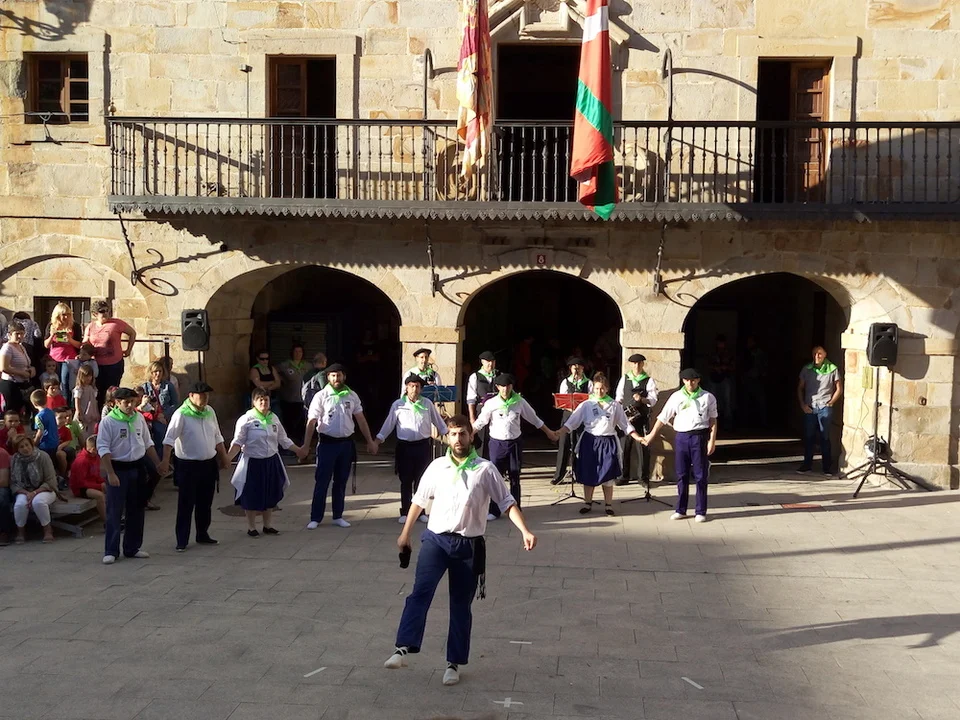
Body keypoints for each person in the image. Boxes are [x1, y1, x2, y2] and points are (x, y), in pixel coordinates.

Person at [384, 415, 537, 686]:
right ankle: (402, 648)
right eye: (453, 434)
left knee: (460, 605)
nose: (458, 439)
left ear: (471, 436)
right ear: (447, 438)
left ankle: (453, 664)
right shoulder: (437, 467)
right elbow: (419, 500)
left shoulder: (485, 469)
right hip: (436, 540)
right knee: (420, 592)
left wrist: (524, 530)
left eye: (462, 434)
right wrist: (405, 534)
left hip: (468, 545)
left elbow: (507, 502)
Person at [557, 372, 645, 516]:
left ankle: (608, 505)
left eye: (602, 388)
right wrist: (558, 432)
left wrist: (638, 437)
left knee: (608, 474)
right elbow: (572, 422)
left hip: (608, 441)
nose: (599, 391)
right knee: (588, 472)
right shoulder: (586, 404)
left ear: (607, 388)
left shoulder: (614, 405)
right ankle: (587, 502)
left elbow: (625, 424)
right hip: (589, 441)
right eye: (597, 388)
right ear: (593, 388)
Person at [303, 363, 378, 529]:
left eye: (339, 375)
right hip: (327, 444)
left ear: (344, 376)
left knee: (341, 481)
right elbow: (312, 421)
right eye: (333, 375)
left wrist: (370, 441)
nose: (336, 378)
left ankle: (338, 515)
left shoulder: (351, 395)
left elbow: (361, 419)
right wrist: (306, 445)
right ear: (328, 377)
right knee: (322, 481)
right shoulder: (321, 396)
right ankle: (316, 517)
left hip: (346, 444)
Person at [472, 373, 558, 517]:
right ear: (497, 387)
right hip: (497, 444)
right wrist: (470, 433)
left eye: (508, 386)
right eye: (502, 386)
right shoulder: (491, 403)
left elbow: (534, 419)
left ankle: (515, 507)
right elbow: (481, 422)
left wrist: (549, 432)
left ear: (512, 386)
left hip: (514, 444)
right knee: (495, 477)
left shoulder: (520, 402)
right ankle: (494, 510)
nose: (505, 389)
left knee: (514, 476)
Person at [227, 388, 307, 537]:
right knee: (251, 494)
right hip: (253, 462)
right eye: (260, 399)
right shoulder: (246, 419)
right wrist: (227, 458)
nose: (263, 402)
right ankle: (251, 527)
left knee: (270, 492)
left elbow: (283, 439)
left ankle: (267, 525)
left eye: (266, 399)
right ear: (254, 402)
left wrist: (298, 450)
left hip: (271, 461)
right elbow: (237, 441)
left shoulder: (273, 418)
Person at [158, 381, 228, 552]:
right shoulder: (181, 414)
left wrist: (224, 457)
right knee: (186, 503)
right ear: (191, 396)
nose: (205, 398)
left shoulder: (209, 411)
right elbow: (169, 439)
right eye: (202, 395)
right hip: (188, 465)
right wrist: (165, 461)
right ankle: (182, 539)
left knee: (205, 502)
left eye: (207, 395)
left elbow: (217, 436)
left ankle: (202, 533)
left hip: (208, 464)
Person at [642, 368, 718, 523]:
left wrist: (712, 441)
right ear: (683, 381)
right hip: (682, 437)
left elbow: (713, 420)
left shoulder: (707, 397)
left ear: (698, 380)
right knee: (682, 474)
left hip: (699, 436)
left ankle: (700, 510)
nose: (690, 383)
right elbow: (663, 417)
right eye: (687, 380)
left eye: (693, 380)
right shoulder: (676, 397)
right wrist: (652, 434)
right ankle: (681, 509)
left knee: (700, 475)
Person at [98, 387, 161, 564]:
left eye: (133, 402)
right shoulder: (108, 422)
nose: (131, 405)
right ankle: (111, 550)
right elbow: (103, 448)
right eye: (126, 402)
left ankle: (132, 547)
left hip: (137, 466)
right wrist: (110, 473)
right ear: (117, 403)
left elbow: (147, 442)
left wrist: (157, 463)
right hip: (118, 468)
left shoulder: (138, 418)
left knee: (137, 508)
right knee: (115, 510)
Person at [375, 374, 448, 524]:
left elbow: (438, 422)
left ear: (421, 389)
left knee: (421, 480)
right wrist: (378, 440)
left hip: (422, 446)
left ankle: (421, 512)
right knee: (406, 480)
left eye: (417, 386)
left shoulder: (427, 404)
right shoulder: (398, 405)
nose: (414, 389)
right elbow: (389, 424)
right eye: (411, 386)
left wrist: (449, 434)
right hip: (405, 447)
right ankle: (405, 511)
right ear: (406, 388)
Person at [615, 353, 659, 488]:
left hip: (641, 418)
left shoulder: (648, 380)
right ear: (631, 365)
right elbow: (619, 397)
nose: (637, 366)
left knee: (643, 448)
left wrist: (642, 399)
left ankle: (643, 478)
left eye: (639, 363)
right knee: (624, 447)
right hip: (626, 418)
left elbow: (653, 400)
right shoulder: (625, 379)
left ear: (643, 364)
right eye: (634, 363)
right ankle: (623, 476)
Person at [797, 346, 842, 476]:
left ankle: (826, 467)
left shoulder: (832, 369)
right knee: (809, 437)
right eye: (815, 353)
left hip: (824, 407)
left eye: (820, 353)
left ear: (825, 354)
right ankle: (807, 465)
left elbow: (839, 388)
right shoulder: (807, 369)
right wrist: (802, 405)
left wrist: (831, 402)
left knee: (824, 437)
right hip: (810, 407)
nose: (817, 356)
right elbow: (800, 387)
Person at [84, 300, 136, 407]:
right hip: (96, 365)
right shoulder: (90, 327)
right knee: (98, 392)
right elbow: (85, 344)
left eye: (107, 310)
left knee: (112, 393)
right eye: (102, 311)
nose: (106, 313)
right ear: (94, 314)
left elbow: (132, 333)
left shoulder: (117, 323)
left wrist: (128, 350)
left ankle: (112, 413)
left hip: (114, 364)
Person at [551, 356, 592, 486]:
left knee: (579, 445)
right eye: (574, 368)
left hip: (582, 418)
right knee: (564, 444)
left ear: (583, 369)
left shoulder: (588, 383)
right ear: (570, 369)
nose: (576, 370)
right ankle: (559, 475)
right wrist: (568, 405)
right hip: (568, 416)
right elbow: (562, 400)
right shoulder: (565, 382)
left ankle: (579, 473)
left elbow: (591, 400)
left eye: (579, 368)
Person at [10, 435, 59, 544]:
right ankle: (21, 532)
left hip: (45, 489)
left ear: (31, 445)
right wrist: (26, 493)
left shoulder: (43, 456)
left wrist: (35, 492)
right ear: (17, 449)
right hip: (24, 490)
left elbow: (51, 481)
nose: (25, 448)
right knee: (20, 504)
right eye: (21, 447)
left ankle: (47, 530)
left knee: (38, 502)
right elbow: (13, 483)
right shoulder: (14, 459)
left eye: (27, 445)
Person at [44, 302, 82, 401]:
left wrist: (70, 339)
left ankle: (66, 403)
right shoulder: (51, 325)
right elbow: (46, 345)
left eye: (68, 314)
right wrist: (52, 335)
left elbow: (79, 345)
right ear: (57, 315)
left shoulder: (75, 326)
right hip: (54, 359)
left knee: (65, 382)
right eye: (63, 314)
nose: (66, 317)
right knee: (54, 383)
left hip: (69, 359)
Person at [140, 360, 179, 453]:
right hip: (150, 417)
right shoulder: (144, 387)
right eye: (155, 371)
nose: (158, 374)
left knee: (160, 431)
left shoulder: (168, 386)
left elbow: (175, 404)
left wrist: (163, 415)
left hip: (164, 416)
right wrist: (156, 415)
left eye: (160, 371)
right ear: (150, 373)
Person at [465, 351, 497, 458]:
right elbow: (471, 399)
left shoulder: (499, 376)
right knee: (481, 440)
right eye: (488, 361)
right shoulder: (475, 376)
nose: (490, 364)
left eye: (492, 361)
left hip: (496, 412)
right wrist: (472, 418)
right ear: (482, 362)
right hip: (481, 411)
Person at [0, 321, 36, 415]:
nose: (20, 336)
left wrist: (31, 369)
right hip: (11, 385)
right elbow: (3, 367)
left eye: (22, 333)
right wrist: (22, 373)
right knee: (12, 413)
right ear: (10, 334)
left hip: (23, 385)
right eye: (17, 334)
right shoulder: (7, 348)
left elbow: (25, 364)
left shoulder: (21, 347)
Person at [69, 435, 106, 523]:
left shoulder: (95, 457)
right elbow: (82, 483)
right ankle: (107, 522)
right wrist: (99, 486)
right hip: (80, 488)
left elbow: (96, 474)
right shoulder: (82, 461)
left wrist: (103, 482)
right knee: (100, 496)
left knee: (110, 487)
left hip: (91, 483)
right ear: (93, 449)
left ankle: (114, 516)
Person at [31, 389, 66, 479]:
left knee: (47, 466)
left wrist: (34, 443)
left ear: (34, 404)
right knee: (54, 464)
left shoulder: (38, 417)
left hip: (45, 445)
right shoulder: (51, 412)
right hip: (54, 442)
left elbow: (40, 432)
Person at [277, 344, 308, 444]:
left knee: (301, 424)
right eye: (296, 351)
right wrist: (280, 380)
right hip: (288, 399)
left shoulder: (308, 366)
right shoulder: (284, 365)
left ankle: (300, 444)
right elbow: (274, 371)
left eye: (300, 351)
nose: (298, 354)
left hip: (302, 400)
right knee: (288, 424)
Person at [708, 335, 735, 430]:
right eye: (719, 343)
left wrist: (725, 368)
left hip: (725, 378)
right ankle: (714, 424)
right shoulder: (713, 353)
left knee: (727, 401)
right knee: (713, 401)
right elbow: (708, 365)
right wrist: (716, 368)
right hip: (713, 378)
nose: (720, 345)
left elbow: (733, 366)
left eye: (721, 343)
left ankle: (728, 424)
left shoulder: (728, 354)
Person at [73, 365, 99, 438]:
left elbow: (94, 401)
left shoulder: (92, 388)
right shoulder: (79, 388)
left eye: (89, 376)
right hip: (83, 411)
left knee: (91, 431)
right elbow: (77, 401)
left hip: (91, 413)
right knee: (81, 430)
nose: (88, 378)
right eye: (85, 376)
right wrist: (79, 412)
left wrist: (96, 412)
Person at [0, 444, 12, 546]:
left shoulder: (2, 454)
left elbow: (4, 482)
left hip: (2, 487)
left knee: (2, 497)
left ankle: (4, 532)